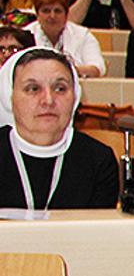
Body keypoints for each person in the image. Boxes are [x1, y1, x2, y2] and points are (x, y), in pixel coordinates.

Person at [0, 48, 120, 211]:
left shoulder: (98, 160)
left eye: (60, 88)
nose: (48, 100)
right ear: (9, 96)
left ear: (75, 97)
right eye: (33, 89)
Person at [27, 0, 105, 78]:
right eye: (46, 11)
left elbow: (97, 69)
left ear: (66, 14)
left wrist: (67, 71)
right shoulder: (25, 34)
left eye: (57, 11)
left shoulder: (83, 35)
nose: (52, 16)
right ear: (37, 14)